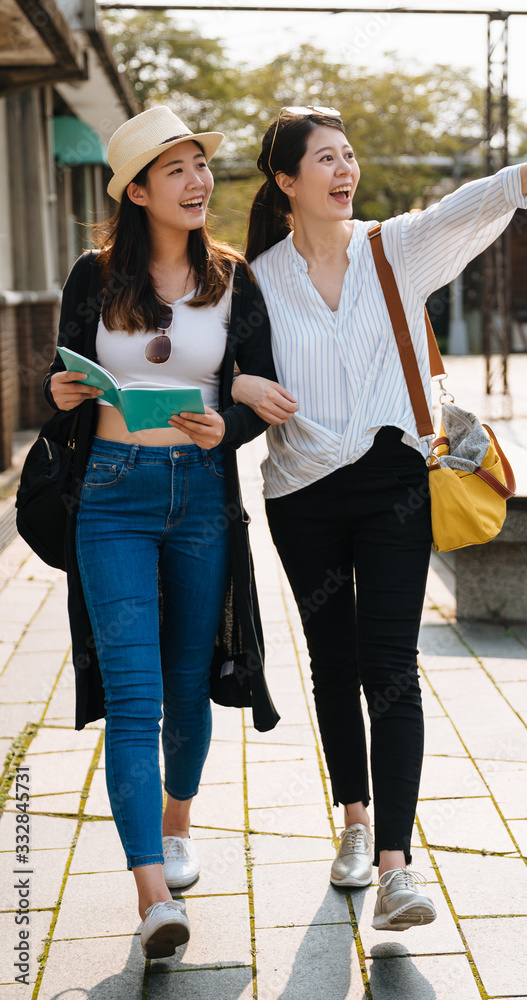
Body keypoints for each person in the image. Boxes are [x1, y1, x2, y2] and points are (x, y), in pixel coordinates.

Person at [232, 106, 527, 931]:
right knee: (332, 664)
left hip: (393, 480)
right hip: (300, 493)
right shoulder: (256, 281)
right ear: (286, 181)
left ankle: (397, 867)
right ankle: (355, 826)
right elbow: (223, 371)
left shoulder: (389, 248)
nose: (344, 170)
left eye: (349, 154)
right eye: (324, 159)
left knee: (390, 664)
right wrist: (236, 389)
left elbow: (464, 207)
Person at [43, 106, 292, 959]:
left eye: (200, 165)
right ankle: (153, 897)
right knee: (133, 700)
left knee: (189, 687)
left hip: (199, 500)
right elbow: (62, 376)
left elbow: (258, 393)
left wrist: (231, 423)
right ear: (138, 190)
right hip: (111, 494)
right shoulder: (93, 275)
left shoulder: (233, 278)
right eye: (175, 168)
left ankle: (177, 827)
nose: (197, 181)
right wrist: (65, 392)